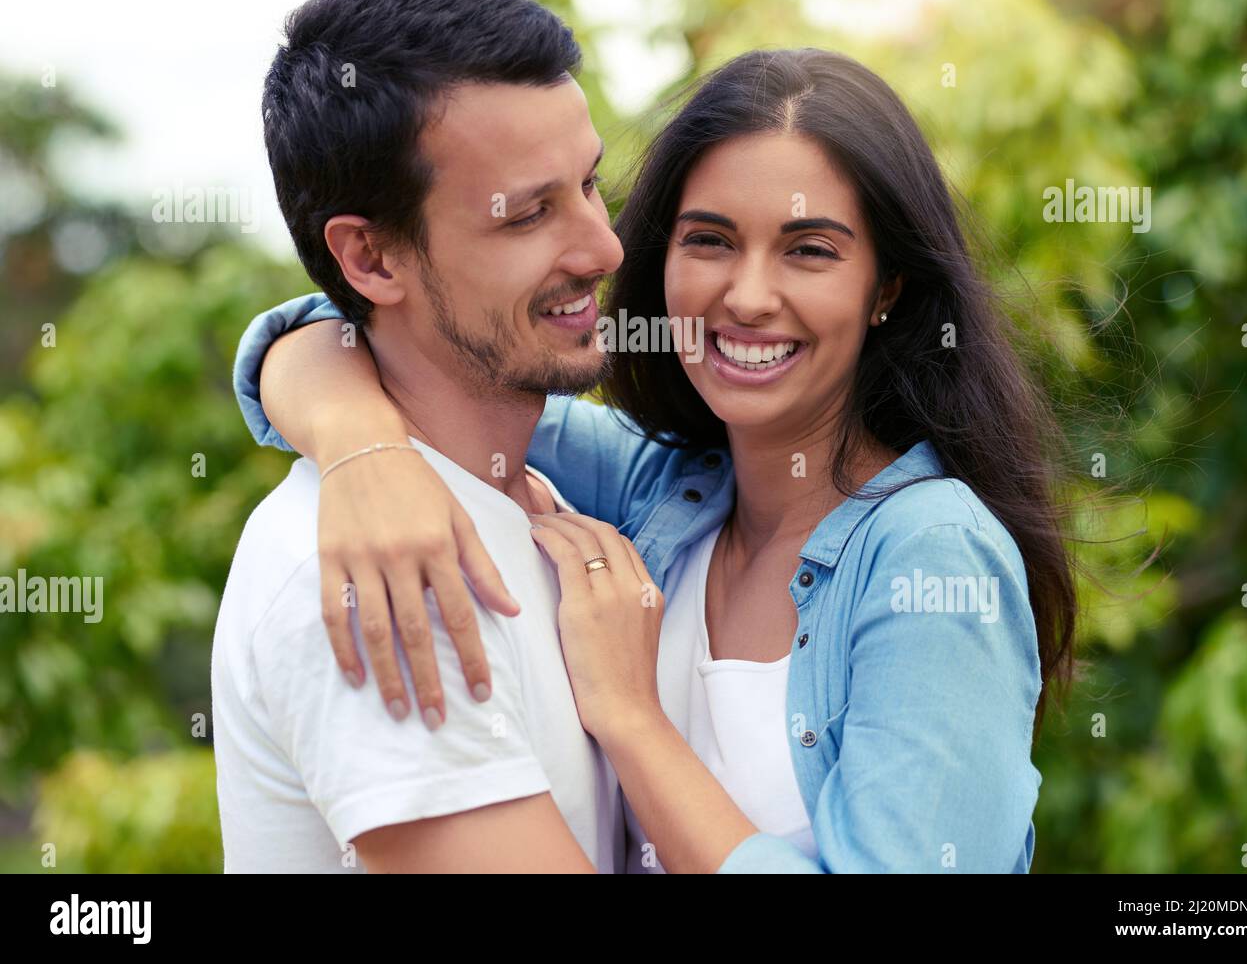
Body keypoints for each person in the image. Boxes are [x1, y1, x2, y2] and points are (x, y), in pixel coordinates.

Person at [233, 46, 1077, 872]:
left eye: (809, 250)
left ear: (886, 287)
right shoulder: (663, 489)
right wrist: (361, 448)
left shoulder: (932, 555)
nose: (747, 297)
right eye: (709, 240)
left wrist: (632, 717)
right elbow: (398, 334)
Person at [212, 0, 628, 873]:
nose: (603, 248)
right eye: (527, 216)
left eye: (591, 184)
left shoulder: (547, 489)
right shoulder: (374, 574)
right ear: (370, 260)